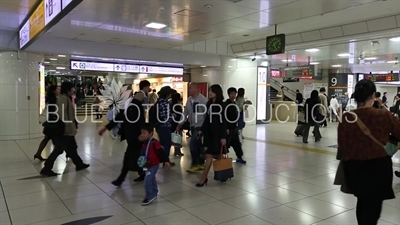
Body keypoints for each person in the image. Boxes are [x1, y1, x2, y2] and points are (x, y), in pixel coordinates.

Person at [338, 79, 400, 225]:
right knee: (374, 206)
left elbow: (342, 146)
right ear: (373, 96)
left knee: (362, 201)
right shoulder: (383, 116)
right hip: (378, 167)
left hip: (354, 167)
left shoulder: (347, 118)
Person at [99, 80, 150, 186]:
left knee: (128, 157)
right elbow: (118, 118)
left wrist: (142, 133)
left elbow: (141, 120)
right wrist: (105, 128)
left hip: (137, 136)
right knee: (135, 156)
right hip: (130, 136)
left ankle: (121, 179)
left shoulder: (136, 104)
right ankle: (143, 173)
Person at [40, 82, 90, 176]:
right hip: (65, 129)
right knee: (59, 149)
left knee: (73, 147)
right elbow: (62, 113)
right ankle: (47, 168)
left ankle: (79, 164)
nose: (73, 90)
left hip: (68, 128)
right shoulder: (63, 98)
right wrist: (67, 126)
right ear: (68, 89)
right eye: (72, 88)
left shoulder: (66, 97)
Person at [195, 84, 227, 187]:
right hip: (209, 134)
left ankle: (220, 174)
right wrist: (201, 130)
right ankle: (205, 178)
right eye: (209, 91)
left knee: (217, 155)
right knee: (209, 155)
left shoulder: (222, 105)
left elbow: (223, 122)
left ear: (217, 92)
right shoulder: (209, 104)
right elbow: (207, 120)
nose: (210, 93)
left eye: (212, 91)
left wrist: (223, 137)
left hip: (217, 134)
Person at [177, 83, 208, 173]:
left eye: (190, 88)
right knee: (198, 145)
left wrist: (204, 128)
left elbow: (207, 115)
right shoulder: (189, 100)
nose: (189, 90)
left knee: (193, 144)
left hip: (200, 126)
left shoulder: (203, 100)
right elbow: (185, 113)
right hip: (192, 126)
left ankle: (195, 163)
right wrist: (180, 123)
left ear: (196, 88)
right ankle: (200, 163)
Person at [138, 123, 170, 205]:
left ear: (151, 133)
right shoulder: (143, 142)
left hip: (154, 165)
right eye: (141, 133)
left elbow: (161, 152)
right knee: (151, 178)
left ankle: (149, 196)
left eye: (144, 133)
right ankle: (154, 193)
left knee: (147, 180)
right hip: (147, 164)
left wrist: (166, 161)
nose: (142, 135)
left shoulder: (154, 142)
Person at [35, 85, 60, 161]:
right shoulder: (53, 100)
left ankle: (38, 154)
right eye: (57, 89)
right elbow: (53, 112)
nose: (59, 90)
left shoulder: (50, 99)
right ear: (54, 91)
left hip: (49, 123)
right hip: (52, 123)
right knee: (58, 142)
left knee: (46, 139)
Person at [154, 86, 176, 166]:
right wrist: (172, 116)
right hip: (164, 126)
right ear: (168, 94)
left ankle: (165, 160)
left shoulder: (159, 101)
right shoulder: (165, 102)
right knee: (167, 144)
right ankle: (165, 160)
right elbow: (165, 116)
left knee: (164, 143)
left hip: (160, 126)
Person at [225, 87, 246, 164]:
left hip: (234, 127)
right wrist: (226, 128)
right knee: (226, 144)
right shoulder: (226, 104)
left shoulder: (234, 104)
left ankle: (239, 157)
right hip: (228, 128)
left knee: (236, 143)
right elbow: (225, 117)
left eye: (234, 94)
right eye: (231, 94)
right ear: (228, 94)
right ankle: (220, 158)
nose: (233, 95)